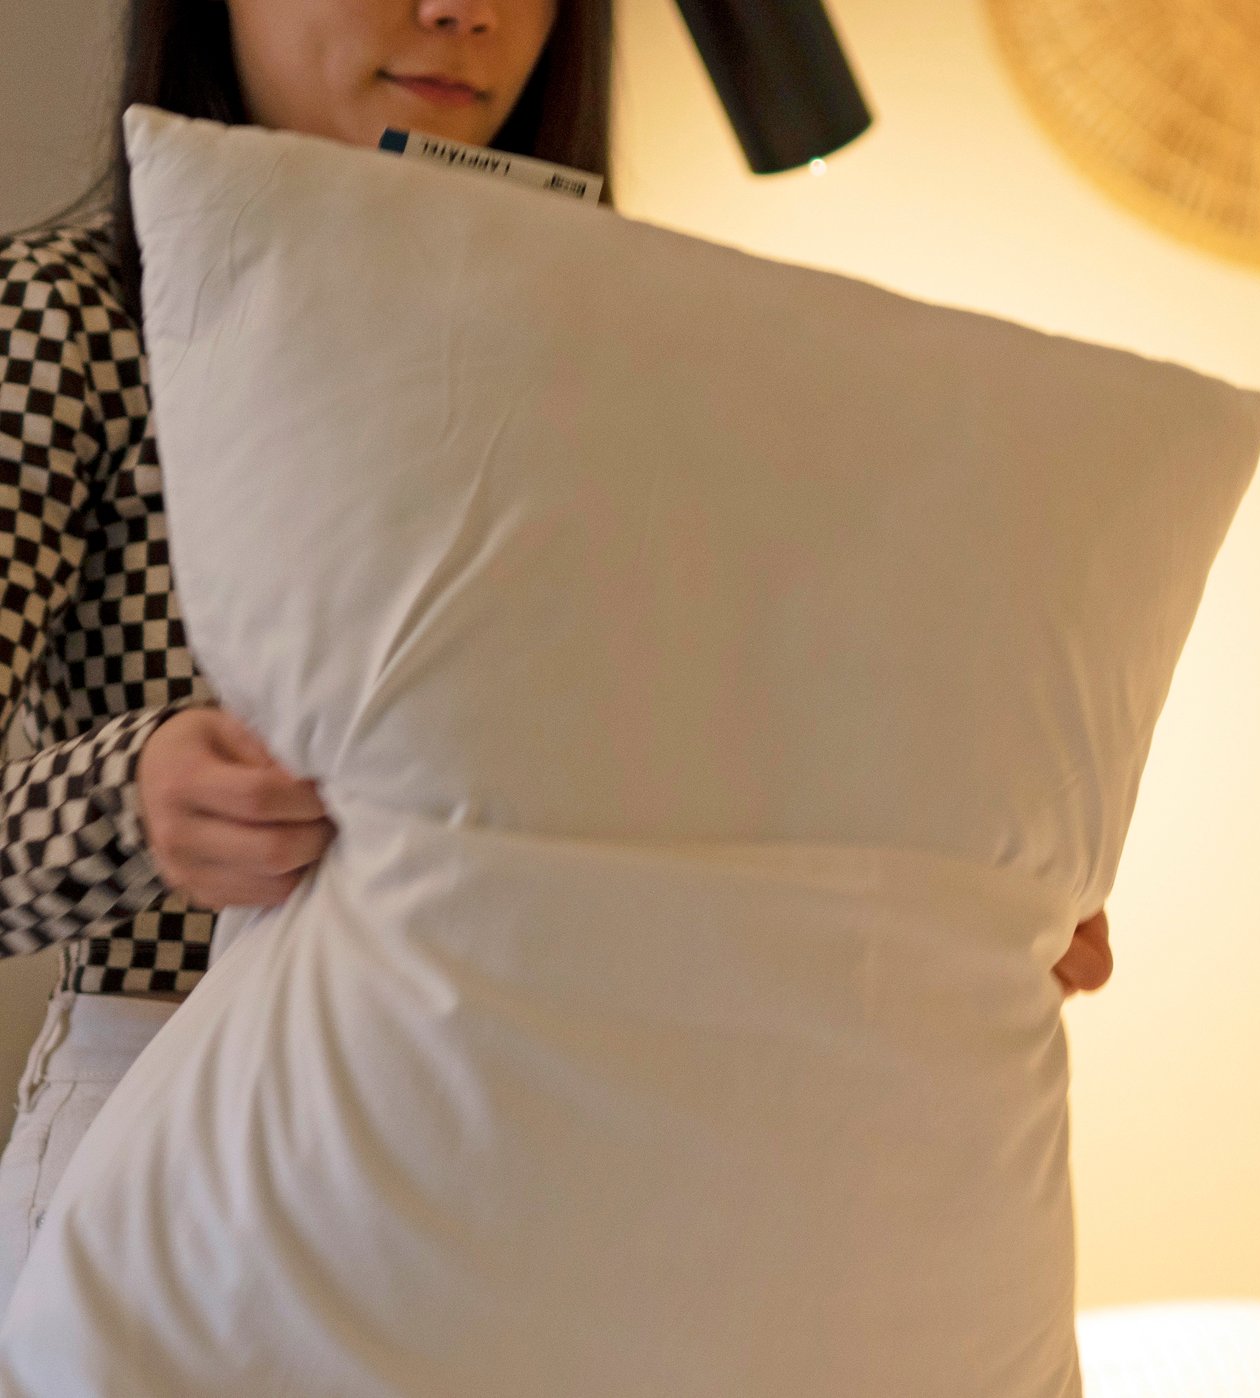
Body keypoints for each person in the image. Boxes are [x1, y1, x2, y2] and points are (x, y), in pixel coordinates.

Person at [0, 0, 1107, 1322]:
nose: (464, 9)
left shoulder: (619, 351)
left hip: (543, 1149)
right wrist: (134, 805)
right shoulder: (65, 322)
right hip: (177, 1128)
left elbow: (681, 777)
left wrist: (944, 901)